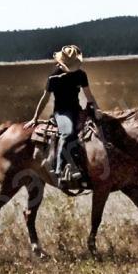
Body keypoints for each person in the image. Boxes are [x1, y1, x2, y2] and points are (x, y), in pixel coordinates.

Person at [24, 45, 102, 180]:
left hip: (77, 109)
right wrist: (35, 118)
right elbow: (45, 99)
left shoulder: (81, 75)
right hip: (61, 112)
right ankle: (60, 168)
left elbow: (89, 95)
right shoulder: (54, 78)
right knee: (68, 133)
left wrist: (97, 109)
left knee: (99, 128)